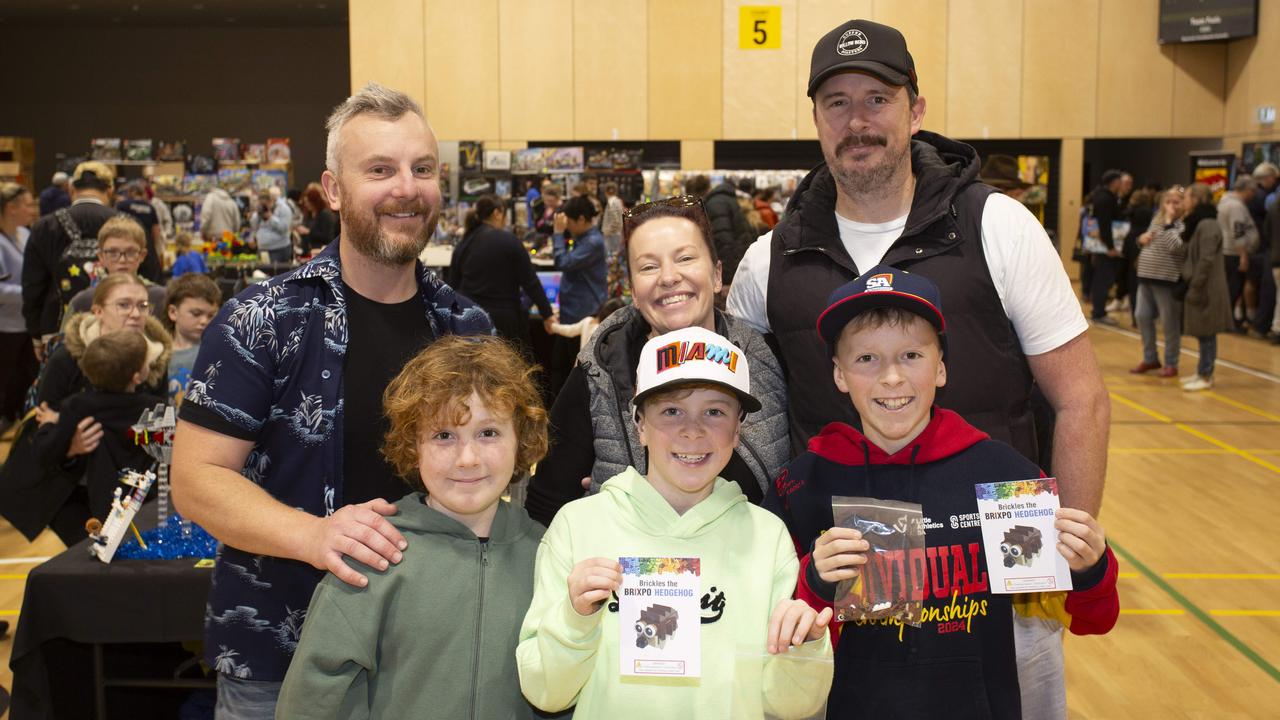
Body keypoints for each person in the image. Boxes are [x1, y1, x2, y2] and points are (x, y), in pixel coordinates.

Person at [725, 18, 1111, 717]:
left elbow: (1081, 399)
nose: (858, 119)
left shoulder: (997, 225)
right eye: (836, 102)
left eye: (877, 97)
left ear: (917, 108)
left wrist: (1062, 559)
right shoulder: (769, 260)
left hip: (994, 592)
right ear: (815, 118)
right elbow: (731, 414)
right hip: (839, 595)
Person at [170, 82, 492, 717]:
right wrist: (314, 536)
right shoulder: (261, 320)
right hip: (281, 659)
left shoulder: (467, 327)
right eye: (380, 170)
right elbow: (197, 479)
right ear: (335, 189)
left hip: (432, 653)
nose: (407, 187)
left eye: (422, 169)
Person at [767, 266, 1118, 719]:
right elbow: (779, 639)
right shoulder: (804, 486)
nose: (891, 377)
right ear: (839, 375)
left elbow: (1092, 618)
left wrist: (1090, 568)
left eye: (911, 355)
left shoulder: (1002, 477)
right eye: (866, 359)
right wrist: (814, 583)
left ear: (941, 367)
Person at [517, 326, 834, 718]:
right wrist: (574, 618)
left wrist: (805, 647)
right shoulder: (578, 527)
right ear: (640, 424)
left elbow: (790, 705)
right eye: (671, 410)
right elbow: (545, 692)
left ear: (737, 431)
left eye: (714, 412)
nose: (692, 430)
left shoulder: (767, 539)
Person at [277, 336, 548, 719]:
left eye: (488, 433)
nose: (467, 458)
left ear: (520, 439)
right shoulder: (374, 552)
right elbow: (313, 697)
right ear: (412, 445)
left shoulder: (549, 555)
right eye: (443, 436)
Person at [526, 197, 789, 526]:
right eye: (648, 266)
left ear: (717, 273)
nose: (668, 277)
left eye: (685, 258)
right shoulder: (602, 369)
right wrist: (590, 519)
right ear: (634, 290)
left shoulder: (768, 362)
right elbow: (545, 505)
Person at [33, 330, 163, 529]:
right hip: (150, 501)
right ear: (137, 377)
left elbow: (45, 450)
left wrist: (52, 423)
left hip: (102, 505)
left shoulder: (77, 407)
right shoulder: (156, 409)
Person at [22, 161, 120, 354]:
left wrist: (36, 333)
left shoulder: (44, 227)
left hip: (57, 331)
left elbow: (33, 286)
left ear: (71, 189)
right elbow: (148, 278)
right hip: (117, 330)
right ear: (109, 190)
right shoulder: (127, 223)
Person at [448, 193, 553, 353]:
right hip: (504, 324)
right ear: (498, 213)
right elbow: (530, 282)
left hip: (469, 320)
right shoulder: (509, 241)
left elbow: (452, 285)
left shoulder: (465, 242)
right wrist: (547, 314)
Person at [548, 194, 606, 394]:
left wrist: (557, 234)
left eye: (570, 223)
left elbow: (563, 262)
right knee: (559, 368)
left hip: (583, 315)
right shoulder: (583, 239)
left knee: (575, 374)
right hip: (573, 312)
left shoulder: (592, 242)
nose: (568, 227)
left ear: (581, 219)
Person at [1181, 183, 1233, 392]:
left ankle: (1206, 373)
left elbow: (1206, 259)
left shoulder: (1209, 224)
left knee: (1208, 332)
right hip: (1201, 284)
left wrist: (1196, 285)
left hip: (1208, 287)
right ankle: (1201, 370)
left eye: (1187, 197)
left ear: (1196, 199)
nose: (1184, 202)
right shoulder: (1197, 223)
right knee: (1203, 332)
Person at [1130, 187, 1187, 377]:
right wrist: (1141, 239)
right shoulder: (1157, 219)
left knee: (1169, 323)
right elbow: (1146, 241)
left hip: (1166, 278)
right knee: (1142, 316)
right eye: (1168, 201)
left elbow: (1177, 247)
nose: (1171, 205)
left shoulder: (1183, 224)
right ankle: (1150, 358)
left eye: (1176, 202)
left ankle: (1171, 362)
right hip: (1146, 275)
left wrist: (1170, 223)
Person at [68, 216, 167, 318]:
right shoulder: (84, 301)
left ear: (142, 256)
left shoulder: (160, 298)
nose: (122, 260)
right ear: (101, 257)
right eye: (112, 252)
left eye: (130, 252)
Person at [1, 183, 39, 435]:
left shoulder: (25, 234)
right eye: (27, 204)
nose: (33, 209)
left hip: (28, 322)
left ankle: (21, 421)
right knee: (5, 378)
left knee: (27, 377)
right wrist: (30, 293)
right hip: (5, 326)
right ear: (10, 208)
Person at [163, 272, 221, 406]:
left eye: (211, 315)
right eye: (196, 313)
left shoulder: (217, 353)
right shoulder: (158, 352)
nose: (204, 321)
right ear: (173, 312)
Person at [689, 174, 756, 287]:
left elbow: (724, 242)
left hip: (731, 272)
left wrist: (726, 279)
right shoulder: (723, 199)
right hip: (740, 264)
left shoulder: (715, 204)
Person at [1084, 170, 1128, 324]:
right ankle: (1099, 312)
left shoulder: (1106, 197)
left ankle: (1099, 311)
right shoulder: (1105, 199)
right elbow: (1105, 225)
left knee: (1103, 278)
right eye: (1119, 181)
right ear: (1114, 182)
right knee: (1103, 278)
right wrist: (1110, 246)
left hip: (1103, 245)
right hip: (1105, 247)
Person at [1217, 176, 1260, 332]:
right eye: (1253, 191)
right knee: (1234, 288)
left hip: (1228, 251)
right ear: (1247, 190)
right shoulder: (1236, 206)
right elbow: (1238, 230)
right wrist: (1243, 255)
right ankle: (1229, 323)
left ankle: (1229, 321)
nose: (1253, 195)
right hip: (1235, 253)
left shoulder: (1224, 202)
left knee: (1231, 288)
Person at [115, 180, 164, 283]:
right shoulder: (150, 208)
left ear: (130, 192)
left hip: (127, 249)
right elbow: (156, 232)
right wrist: (157, 252)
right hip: (147, 249)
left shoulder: (122, 205)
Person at [545, 296, 625, 352]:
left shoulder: (588, 321)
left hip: (581, 366)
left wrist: (552, 326)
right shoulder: (605, 331)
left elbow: (569, 330)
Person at [253, 186, 294, 264]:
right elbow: (254, 227)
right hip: (262, 249)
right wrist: (257, 214)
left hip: (279, 249)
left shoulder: (284, 209)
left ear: (271, 200)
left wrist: (270, 217)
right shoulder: (261, 209)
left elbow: (284, 228)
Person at [600, 181, 625, 257]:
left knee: (611, 257)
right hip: (616, 234)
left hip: (612, 235)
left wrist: (607, 231)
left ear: (605, 192)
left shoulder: (611, 202)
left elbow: (615, 220)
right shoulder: (618, 201)